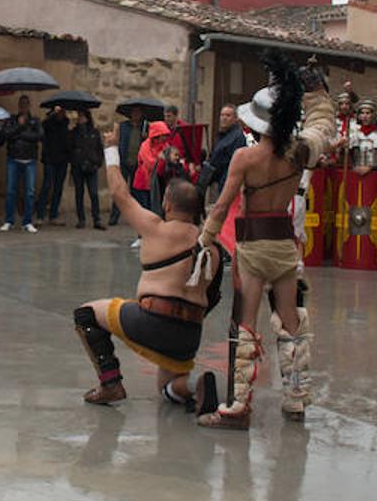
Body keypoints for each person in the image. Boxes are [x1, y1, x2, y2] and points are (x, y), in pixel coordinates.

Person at [196, 52, 335, 430]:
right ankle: (295, 398)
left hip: (253, 247)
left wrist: (204, 242)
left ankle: (238, 406)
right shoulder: (299, 153)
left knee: (246, 326)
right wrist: (317, 95)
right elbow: (323, 126)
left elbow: (223, 206)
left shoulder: (244, 157)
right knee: (292, 323)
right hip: (285, 246)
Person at [72, 130, 221, 409]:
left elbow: (119, 192)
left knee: (86, 313)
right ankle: (194, 385)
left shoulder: (155, 228)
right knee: (167, 389)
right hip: (190, 334)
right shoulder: (211, 247)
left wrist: (111, 149)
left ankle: (110, 384)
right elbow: (213, 297)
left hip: (153, 322)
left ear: (167, 203)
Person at [1, 95, 42, 233]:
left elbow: (38, 136)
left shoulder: (35, 121)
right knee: (11, 191)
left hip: (29, 160)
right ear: (19, 106)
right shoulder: (12, 120)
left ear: (29, 105)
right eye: (21, 104)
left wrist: (20, 133)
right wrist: (20, 126)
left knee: (29, 192)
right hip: (14, 159)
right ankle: (9, 220)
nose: (24, 106)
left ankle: (27, 221)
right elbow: (6, 134)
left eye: (26, 104)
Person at [202, 105, 249, 205]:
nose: (224, 118)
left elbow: (232, 162)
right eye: (222, 115)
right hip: (219, 182)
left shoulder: (238, 137)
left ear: (235, 118)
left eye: (228, 115)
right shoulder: (223, 136)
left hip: (229, 185)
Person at [109, 107, 147, 227]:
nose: (136, 115)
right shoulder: (123, 126)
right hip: (124, 162)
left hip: (138, 164)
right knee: (120, 191)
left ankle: (135, 217)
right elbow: (117, 142)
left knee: (136, 192)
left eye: (138, 113)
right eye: (134, 113)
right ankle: (114, 217)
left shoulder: (145, 128)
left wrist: (146, 137)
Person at [69, 108, 104, 230]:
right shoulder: (74, 132)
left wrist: (97, 162)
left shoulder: (94, 132)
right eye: (79, 116)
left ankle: (97, 219)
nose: (80, 118)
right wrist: (75, 160)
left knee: (93, 193)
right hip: (78, 167)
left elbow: (99, 149)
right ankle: (81, 219)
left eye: (82, 116)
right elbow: (70, 148)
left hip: (91, 166)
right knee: (79, 193)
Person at [38, 105, 71, 225]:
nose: (62, 113)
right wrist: (53, 114)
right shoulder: (49, 122)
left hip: (62, 160)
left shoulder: (66, 124)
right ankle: (40, 215)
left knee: (58, 188)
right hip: (50, 159)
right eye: (60, 111)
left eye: (63, 111)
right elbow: (43, 127)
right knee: (47, 186)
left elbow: (67, 141)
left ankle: (53, 215)